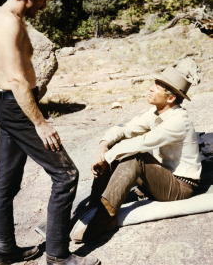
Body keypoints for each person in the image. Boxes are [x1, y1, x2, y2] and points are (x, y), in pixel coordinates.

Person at [0, 0, 100, 265]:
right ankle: (58, 257)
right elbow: (17, 80)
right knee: (66, 174)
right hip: (18, 106)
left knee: (5, 184)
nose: (44, 6)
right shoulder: (9, 22)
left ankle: (5, 249)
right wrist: (41, 123)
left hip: (6, 105)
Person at [71, 65, 202, 243]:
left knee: (135, 157)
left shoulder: (179, 122)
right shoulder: (156, 112)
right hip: (163, 177)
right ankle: (95, 205)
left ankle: (103, 219)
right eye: (154, 84)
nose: (151, 88)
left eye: (158, 87)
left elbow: (141, 142)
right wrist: (103, 145)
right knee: (116, 147)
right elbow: (125, 129)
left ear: (170, 98)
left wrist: (105, 157)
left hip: (180, 187)